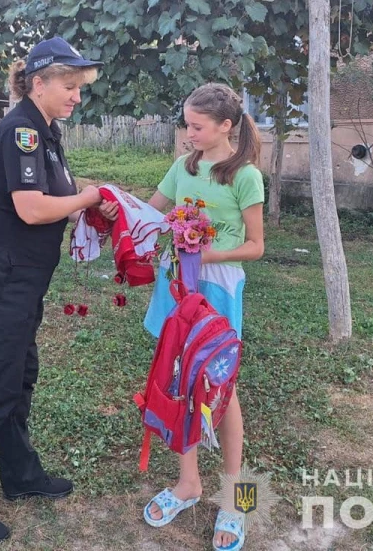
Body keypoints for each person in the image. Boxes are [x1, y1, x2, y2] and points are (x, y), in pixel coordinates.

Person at [0, 37, 107, 544]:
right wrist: (88, 196)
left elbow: (57, 202)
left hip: (21, 280)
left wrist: (91, 206)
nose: (77, 96)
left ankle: (19, 475)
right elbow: (32, 208)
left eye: (80, 88)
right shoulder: (22, 132)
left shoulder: (46, 132)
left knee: (19, 377)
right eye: (69, 86)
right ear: (38, 83)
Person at [138, 82, 265, 551]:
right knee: (179, 382)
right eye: (186, 125)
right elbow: (151, 214)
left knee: (221, 389)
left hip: (217, 290)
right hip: (177, 289)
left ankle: (237, 499)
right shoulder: (182, 166)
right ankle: (188, 483)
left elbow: (256, 246)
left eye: (196, 126)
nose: (188, 134)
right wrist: (105, 208)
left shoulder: (245, 175)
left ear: (225, 126)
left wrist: (207, 255)